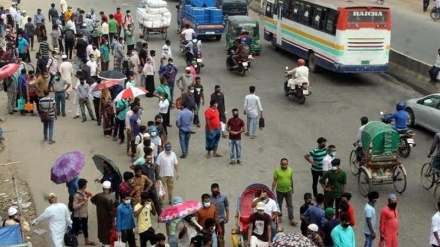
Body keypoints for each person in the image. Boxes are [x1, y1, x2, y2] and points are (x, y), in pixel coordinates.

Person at [272, 158, 297, 226]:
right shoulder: (277, 171)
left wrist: (292, 188)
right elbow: (274, 180)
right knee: (279, 204)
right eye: (282, 164)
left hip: (288, 190)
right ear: (280, 164)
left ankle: (291, 219)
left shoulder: (290, 170)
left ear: (287, 164)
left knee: (290, 205)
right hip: (279, 191)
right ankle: (279, 217)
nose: (284, 166)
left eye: (285, 165)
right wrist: (272, 190)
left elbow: (291, 179)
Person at [72, 178, 96, 246]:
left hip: (84, 214)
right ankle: (74, 242)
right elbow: (74, 206)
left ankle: (87, 241)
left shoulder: (84, 192)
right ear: (83, 186)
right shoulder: (76, 195)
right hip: (78, 215)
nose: (86, 186)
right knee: (76, 229)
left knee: (85, 227)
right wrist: (83, 202)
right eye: (86, 184)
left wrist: (87, 196)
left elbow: (86, 197)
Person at [91, 181, 114, 247]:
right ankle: (106, 244)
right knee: (107, 231)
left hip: (100, 216)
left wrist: (98, 206)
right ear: (109, 188)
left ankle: (102, 242)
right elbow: (110, 211)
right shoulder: (109, 199)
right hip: (107, 218)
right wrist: (113, 219)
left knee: (101, 229)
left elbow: (92, 200)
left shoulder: (98, 195)